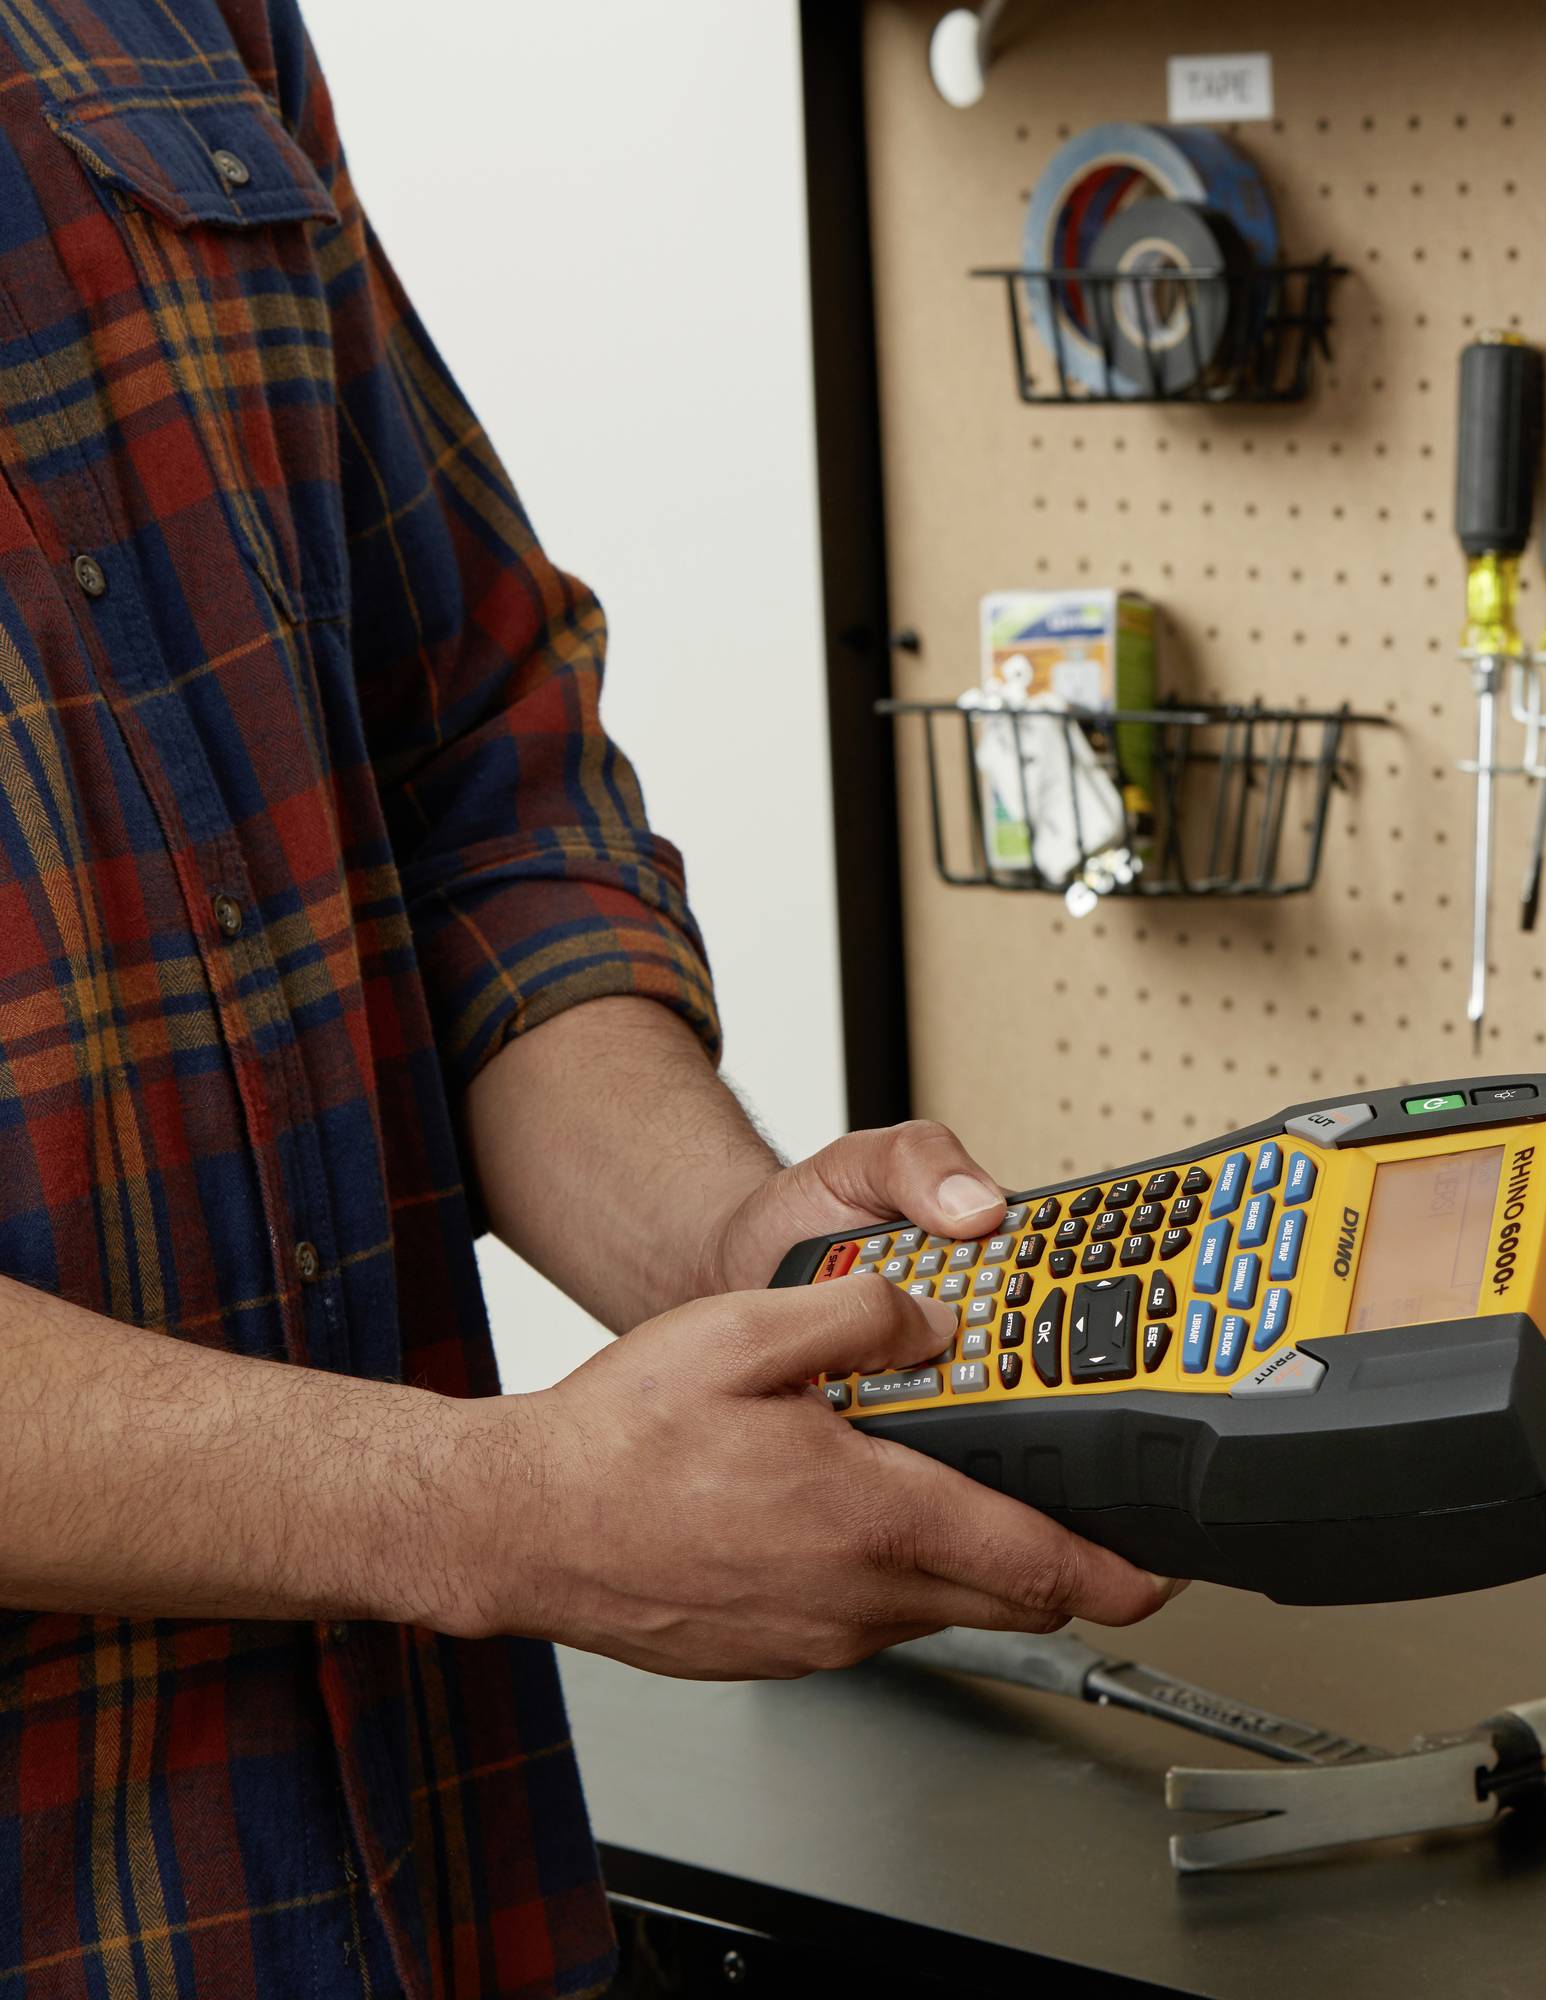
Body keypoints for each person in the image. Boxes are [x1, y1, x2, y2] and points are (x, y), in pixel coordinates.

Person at [0, 5, 1179, 1994]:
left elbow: (471, 766)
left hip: (441, 1887)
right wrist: (494, 1512)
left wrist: (734, 1238)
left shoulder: (160, 25)